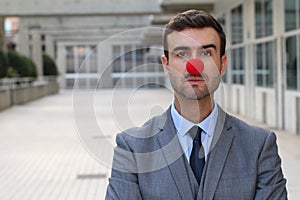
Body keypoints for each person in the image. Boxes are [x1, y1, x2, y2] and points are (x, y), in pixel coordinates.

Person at [105, 9, 287, 200]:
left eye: (206, 53)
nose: (194, 65)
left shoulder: (259, 146)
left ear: (222, 64)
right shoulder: (132, 148)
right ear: (166, 65)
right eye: (182, 53)